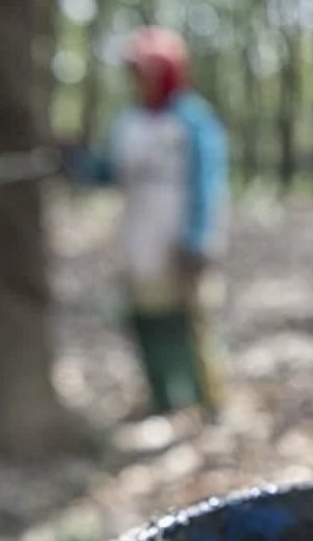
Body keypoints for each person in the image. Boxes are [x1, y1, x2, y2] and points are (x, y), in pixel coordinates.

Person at [70, 27, 229, 419]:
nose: (139, 81)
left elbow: (208, 183)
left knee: (191, 321)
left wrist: (198, 238)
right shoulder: (128, 122)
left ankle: (210, 402)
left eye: (146, 72)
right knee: (145, 320)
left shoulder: (193, 121)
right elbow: (112, 172)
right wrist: (76, 162)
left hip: (180, 242)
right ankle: (163, 396)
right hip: (138, 238)